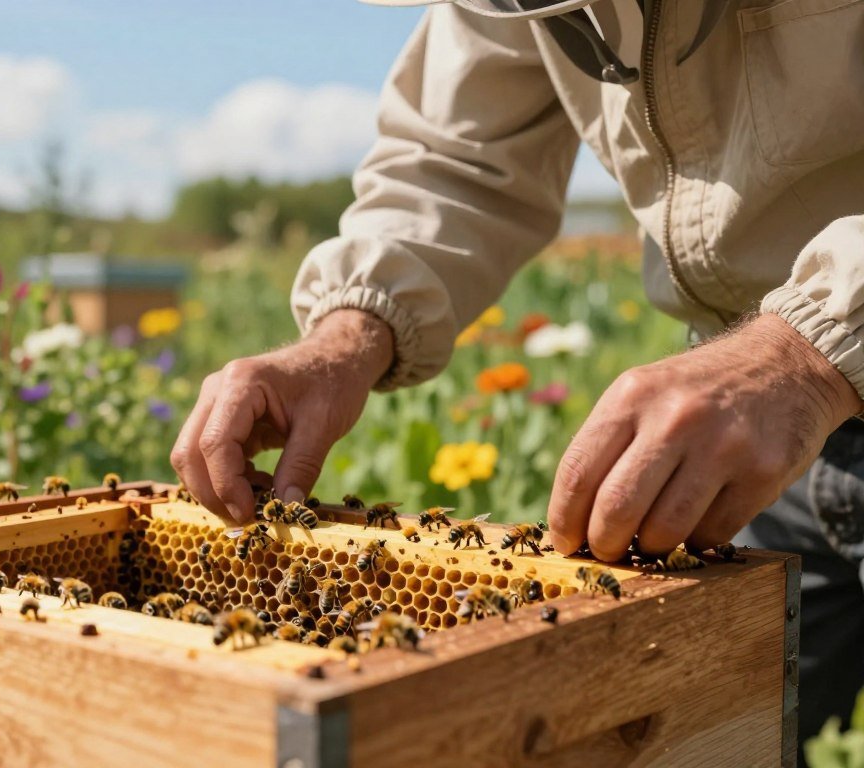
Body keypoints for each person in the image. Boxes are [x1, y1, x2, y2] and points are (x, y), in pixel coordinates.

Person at [171, 0, 864, 752]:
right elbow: (458, 159)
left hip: (782, 385)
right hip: (756, 447)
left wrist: (809, 348)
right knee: (715, 735)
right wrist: (348, 332)